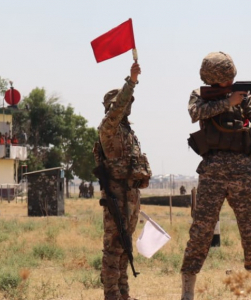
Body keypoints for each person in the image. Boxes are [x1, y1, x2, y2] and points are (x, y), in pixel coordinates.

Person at [181, 52, 251, 300]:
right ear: (212, 78)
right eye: (224, 78)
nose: (229, 82)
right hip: (212, 171)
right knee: (201, 231)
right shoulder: (200, 95)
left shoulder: (246, 95)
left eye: (230, 77)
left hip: (242, 170)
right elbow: (195, 113)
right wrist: (227, 102)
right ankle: (187, 291)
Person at [93, 62, 151, 300]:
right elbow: (116, 110)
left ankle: (123, 294)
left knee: (126, 248)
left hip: (131, 194)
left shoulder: (128, 132)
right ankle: (112, 294)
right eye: (123, 103)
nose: (127, 107)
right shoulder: (108, 126)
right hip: (116, 196)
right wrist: (132, 81)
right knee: (113, 248)